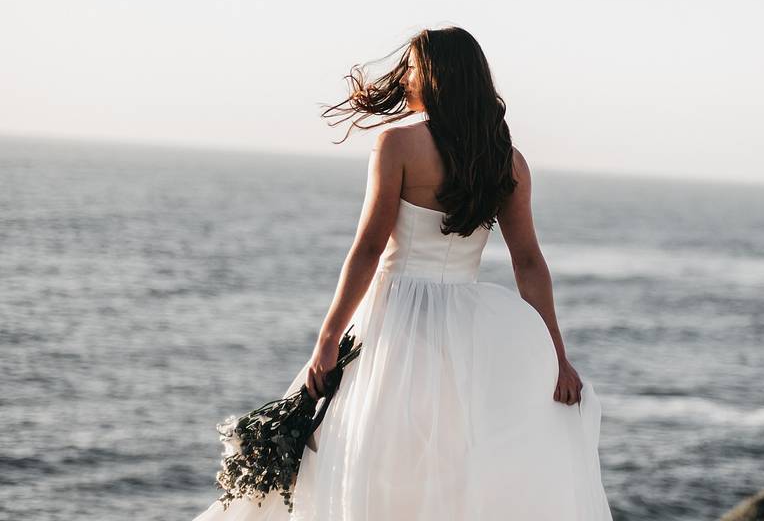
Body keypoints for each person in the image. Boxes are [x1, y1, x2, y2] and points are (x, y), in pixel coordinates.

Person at [191, 26, 613, 520]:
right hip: (468, 329)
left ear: (434, 77)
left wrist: (327, 339)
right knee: (451, 460)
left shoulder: (398, 146)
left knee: (361, 454)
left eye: (412, 68)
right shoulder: (507, 162)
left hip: (395, 319)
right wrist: (557, 357)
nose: (405, 77)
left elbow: (369, 248)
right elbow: (529, 263)